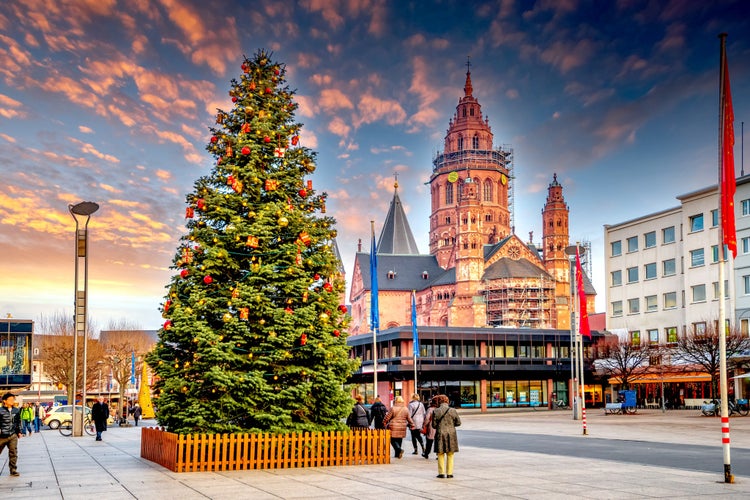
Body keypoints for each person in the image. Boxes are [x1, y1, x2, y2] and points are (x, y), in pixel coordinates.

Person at [432, 394, 461, 478]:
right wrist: (451, 425)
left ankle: (441, 473)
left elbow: (433, 425)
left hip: (440, 433)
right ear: (447, 401)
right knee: (450, 453)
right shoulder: (453, 410)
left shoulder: (436, 411)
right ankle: (449, 473)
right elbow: (458, 423)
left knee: (440, 453)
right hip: (451, 433)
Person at [0, 393, 22, 476]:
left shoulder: (16, 410)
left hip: (13, 435)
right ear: (5, 401)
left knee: (13, 453)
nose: (12, 401)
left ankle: (13, 469)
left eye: (13, 399)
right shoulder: (0, 410)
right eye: (10, 400)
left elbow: (17, 422)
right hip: (2, 436)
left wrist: (19, 432)